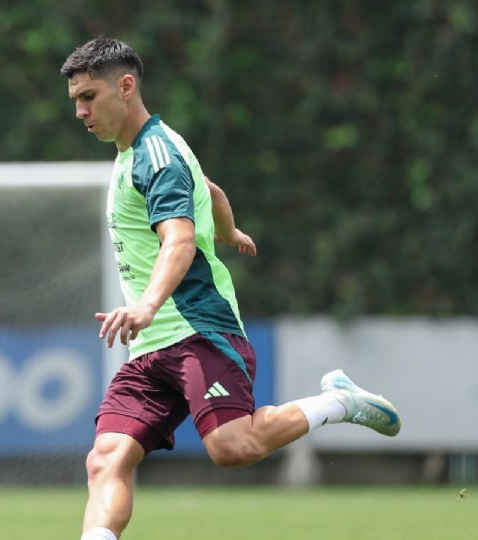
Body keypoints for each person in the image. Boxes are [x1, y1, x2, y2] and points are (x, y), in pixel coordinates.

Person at [61, 37, 402, 540]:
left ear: (126, 86)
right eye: (75, 101)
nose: (80, 111)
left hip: (199, 329)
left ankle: (341, 403)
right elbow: (211, 188)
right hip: (151, 347)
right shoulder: (138, 152)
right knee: (106, 458)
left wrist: (148, 305)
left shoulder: (155, 154)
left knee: (231, 447)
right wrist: (226, 228)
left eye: (88, 96)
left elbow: (177, 242)